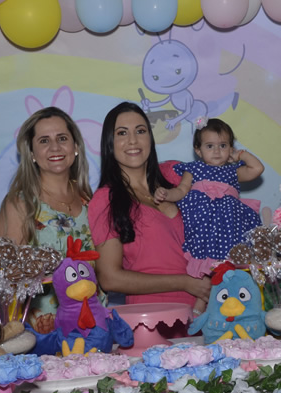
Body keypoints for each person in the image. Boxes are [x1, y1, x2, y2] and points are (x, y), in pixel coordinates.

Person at [88, 102, 211, 309]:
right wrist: (184, 282)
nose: (133, 140)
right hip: (152, 316)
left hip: (211, 312)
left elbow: (219, 183)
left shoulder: (174, 174)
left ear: (150, 138)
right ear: (109, 143)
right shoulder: (105, 199)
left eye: (140, 131)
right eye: (122, 133)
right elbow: (109, 278)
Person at [0, 106, 94, 333]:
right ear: (31, 153)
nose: (55, 147)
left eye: (62, 138)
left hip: (94, 327)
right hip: (42, 335)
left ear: (76, 147)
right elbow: (5, 283)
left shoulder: (90, 200)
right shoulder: (20, 204)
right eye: (44, 141)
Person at [153, 118, 263, 277]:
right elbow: (181, 190)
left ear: (230, 148)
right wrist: (166, 194)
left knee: (232, 260)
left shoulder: (233, 171)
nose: (217, 151)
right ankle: (203, 282)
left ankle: (231, 278)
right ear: (198, 150)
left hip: (230, 226)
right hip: (203, 225)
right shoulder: (194, 169)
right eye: (210, 146)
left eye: (223, 146)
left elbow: (257, 168)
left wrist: (240, 154)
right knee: (203, 258)